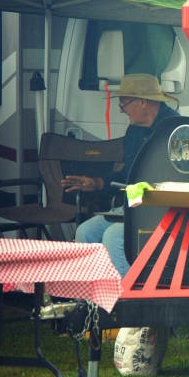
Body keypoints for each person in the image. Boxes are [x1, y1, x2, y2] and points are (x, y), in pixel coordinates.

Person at [63, 74, 178, 276]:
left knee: (114, 236)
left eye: (123, 103)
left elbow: (180, 180)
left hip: (164, 211)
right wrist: (97, 183)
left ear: (142, 102)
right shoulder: (134, 131)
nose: (120, 109)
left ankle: (125, 303)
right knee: (85, 232)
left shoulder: (175, 129)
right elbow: (127, 174)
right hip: (132, 207)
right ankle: (92, 298)